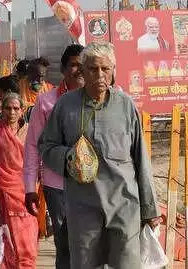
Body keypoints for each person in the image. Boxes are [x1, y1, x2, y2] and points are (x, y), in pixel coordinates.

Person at [38, 42, 161, 268]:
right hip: (83, 208)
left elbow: (141, 158)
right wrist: (68, 157)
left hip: (124, 205)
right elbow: (46, 146)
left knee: (126, 264)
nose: (100, 75)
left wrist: (150, 210)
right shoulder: (66, 106)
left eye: (105, 69)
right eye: (93, 69)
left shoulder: (125, 106)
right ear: (83, 72)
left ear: (113, 71)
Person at [24, 44, 84, 269]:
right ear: (63, 69)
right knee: (65, 244)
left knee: (91, 243)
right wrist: (30, 187)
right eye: (74, 65)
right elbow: (32, 145)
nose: (79, 70)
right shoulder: (46, 101)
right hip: (57, 185)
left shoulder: (99, 99)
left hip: (93, 183)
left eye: (83, 65)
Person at [0, 93, 38, 268]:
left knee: (28, 246)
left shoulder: (31, 132)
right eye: (8, 108)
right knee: (7, 244)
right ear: (2, 110)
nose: (12, 112)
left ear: (22, 110)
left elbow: (38, 162)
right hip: (3, 193)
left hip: (27, 194)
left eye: (16, 108)